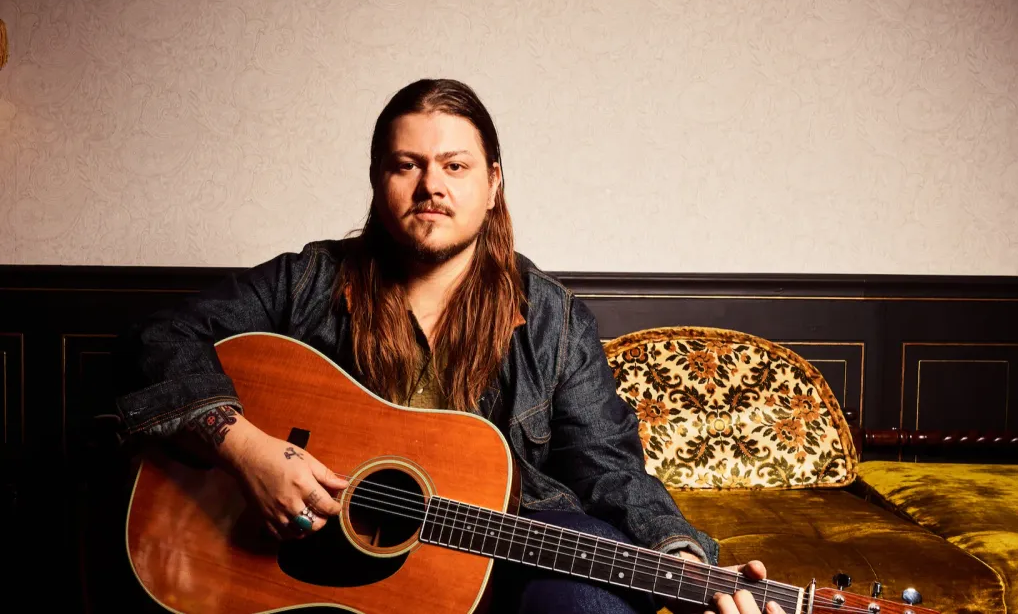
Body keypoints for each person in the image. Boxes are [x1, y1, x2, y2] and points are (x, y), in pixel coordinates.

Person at [113, 79, 780, 614]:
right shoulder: (308, 281)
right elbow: (159, 338)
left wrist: (683, 563)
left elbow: (609, 469)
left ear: (493, 184)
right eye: (407, 165)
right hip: (321, 565)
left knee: (589, 585)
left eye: (454, 166)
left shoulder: (553, 318)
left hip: (505, 555)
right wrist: (247, 451)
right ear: (378, 180)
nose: (431, 185)